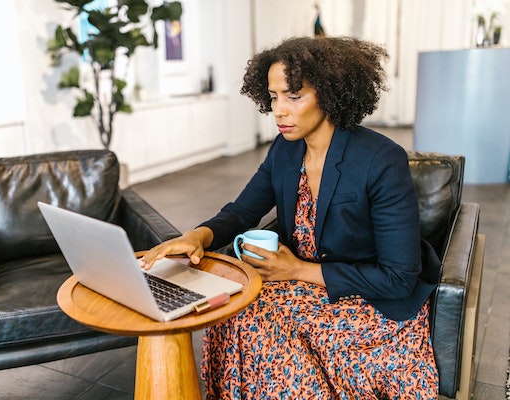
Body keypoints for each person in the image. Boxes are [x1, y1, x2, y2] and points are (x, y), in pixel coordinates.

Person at [141, 36, 440, 399]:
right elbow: (241, 211)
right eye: (273, 97)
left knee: (261, 323)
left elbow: (398, 278)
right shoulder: (285, 151)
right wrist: (197, 236)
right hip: (303, 287)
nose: (279, 110)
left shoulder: (380, 159)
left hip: (371, 302)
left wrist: (297, 270)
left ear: (330, 94)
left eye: (294, 96)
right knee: (233, 314)